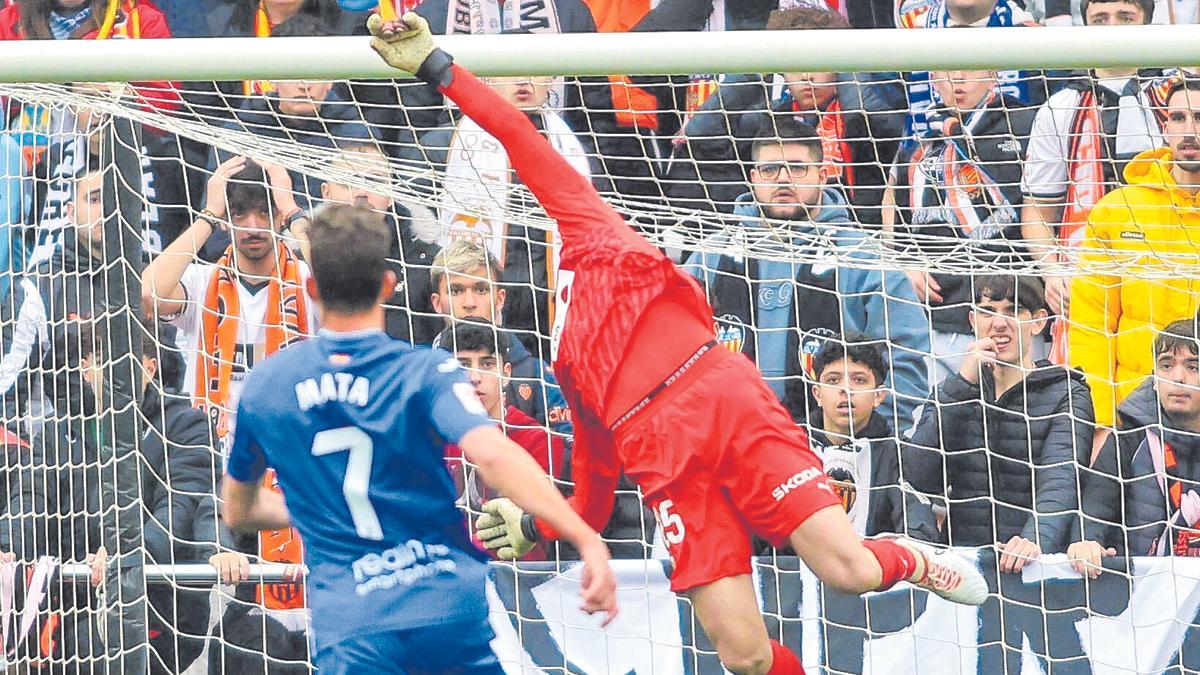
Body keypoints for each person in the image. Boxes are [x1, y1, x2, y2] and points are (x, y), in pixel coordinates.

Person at [370, 15, 986, 675]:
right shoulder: (569, 370)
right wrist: (533, 525)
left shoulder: (592, 230)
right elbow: (595, 498)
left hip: (725, 403)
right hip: (667, 467)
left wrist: (439, 69)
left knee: (851, 570)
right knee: (744, 656)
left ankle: (916, 559)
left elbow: (516, 133)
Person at [220, 203, 617, 674]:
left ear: (311, 287)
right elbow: (492, 452)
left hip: (353, 621)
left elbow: (238, 510)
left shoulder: (267, 384)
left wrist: (319, 509)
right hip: (444, 606)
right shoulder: (426, 370)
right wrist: (585, 537)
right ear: (389, 285)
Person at [684, 117, 930, 434]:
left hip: (834, 450)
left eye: (797, 168)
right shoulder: (710, 257)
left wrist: (878, 442)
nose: (783, 180)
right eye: (770, 170)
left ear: (823, 175)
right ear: (753, 177)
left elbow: (906, 362)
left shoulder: (865, 258)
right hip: (726, 442)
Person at [402, 72, 597, 357]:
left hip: (549, 312)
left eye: (536, 72)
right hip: (471, 309)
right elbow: (415, 228)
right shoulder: (441, 146)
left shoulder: (576, 152)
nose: (524, 82)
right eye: (512, 71)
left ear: (553, 79)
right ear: (488, 77)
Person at [904, 275, 1092, 562]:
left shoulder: (1067, 392)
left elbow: (1060, 481)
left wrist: (1035, 539)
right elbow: (920, 477)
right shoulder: (952, 390)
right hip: (965, 561)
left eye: (1013, 311)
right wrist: (964, 384)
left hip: (1035, 563)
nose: (999, 323)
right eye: (988, 311)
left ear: (1038, 322)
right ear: (972, 320)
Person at [665, 6, 906, 224]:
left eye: (819, 63)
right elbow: (701, 137)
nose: (806, 76)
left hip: (852, 242)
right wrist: (753, 70)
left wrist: (847, 62)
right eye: (794, 63)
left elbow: (865, 117)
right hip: (779, 239)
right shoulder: (770, 118)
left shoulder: (864, 120)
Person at [1020, 0, 1162, 361]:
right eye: (1101, 18)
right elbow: (1037, 212)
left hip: (1165, 276)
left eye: (1125, 17)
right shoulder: (1061, 107)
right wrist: (1052, 271)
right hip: (1084, 284)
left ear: (1147, 22)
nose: (1112, 26)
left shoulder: (1174, 103)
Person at [885, 68, 1036, 382]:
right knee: (943, 423)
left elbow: (1048, 209)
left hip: (1013, 317)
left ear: (993, 73)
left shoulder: (1026, 123)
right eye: (946, 72)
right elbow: (894, 214)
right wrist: (905, 264)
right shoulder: (919, 139)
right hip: (941, 319)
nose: (957, 79)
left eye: (967, 69)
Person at [1070, 76, 1200, 435]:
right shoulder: (1118, 209)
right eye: (1178, 118)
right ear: (1164, 126)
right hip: (1134, 418)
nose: (1189, 130)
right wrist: (1099, 421)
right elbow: (1091, 324)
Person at [1072, 317, 1200, 567]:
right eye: (1166, 365)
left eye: (1192, 366)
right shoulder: (1128, 438)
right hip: (1140, 593)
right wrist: (1086, 542)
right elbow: (1094, 510)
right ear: (1153, 380)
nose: (1178, 377)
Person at [439, 319, 566, 561]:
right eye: (463, 365)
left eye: (486, 364)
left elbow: (537, 525)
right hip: (447, 581)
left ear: (506, 373)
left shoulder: (537, 440)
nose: (475, 377)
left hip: (519, 584)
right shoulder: (429, 440)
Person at [429, 239, 573, 437]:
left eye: (481, 290)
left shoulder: (535, 375)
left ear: (500, 299)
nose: (469, 303)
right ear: (437, 303)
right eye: (457, 291)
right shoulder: (419, 374)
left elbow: (566, 452)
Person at [803, 336, 939, 541]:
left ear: (879, 396)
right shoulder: (791, 447)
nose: (845, 390)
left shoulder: (897, 455)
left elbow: (919, 530)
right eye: (833, 380)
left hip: (874, 569)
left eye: (859, 380)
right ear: (817, 394)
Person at [317, 144, 442, 345]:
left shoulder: (430, 262)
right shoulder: (300, 260)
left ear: (390, 194)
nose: (362, 193)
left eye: (374, 181)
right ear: (326, 192)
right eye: (348, 182)